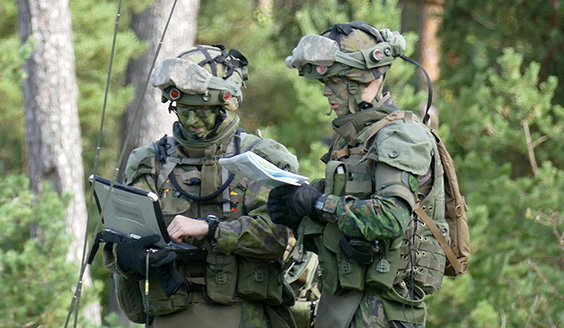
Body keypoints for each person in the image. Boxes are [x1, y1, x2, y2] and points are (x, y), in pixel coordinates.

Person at [268, 21, 449, 328]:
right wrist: (297, 213)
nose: (326, 92)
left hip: (381, 312)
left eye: (333, 82)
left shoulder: (401, 137)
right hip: (340, 307)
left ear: (358, 79)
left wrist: (317, 203)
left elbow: (390, 218)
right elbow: (341, 228)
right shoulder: (353, 140)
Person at [103, 44, 299, 328]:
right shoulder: (149, 162)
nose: (193, 121)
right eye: (183, 110)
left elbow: (277, 237)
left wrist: (212, 228)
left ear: (224, 105)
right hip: (170, 312)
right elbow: (118, 235)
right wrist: (127, 255)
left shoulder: (261, 158)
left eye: (203, 111)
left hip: (242, 313)